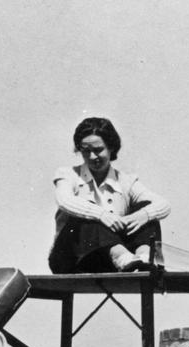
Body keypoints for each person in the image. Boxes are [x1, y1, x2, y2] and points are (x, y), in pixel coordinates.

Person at [49, 117, 170, 274]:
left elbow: (164, 204)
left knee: (147, 208)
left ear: (111, 147)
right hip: (72, 258)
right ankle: (121, 256)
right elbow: (64, 200)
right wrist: (101, 214)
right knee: (87, 213)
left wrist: (142, 216)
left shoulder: (126, 181)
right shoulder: (68, 174)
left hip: (110, 261)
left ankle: (144, 256)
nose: (92, 157)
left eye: (98, 150)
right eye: (86, 151)